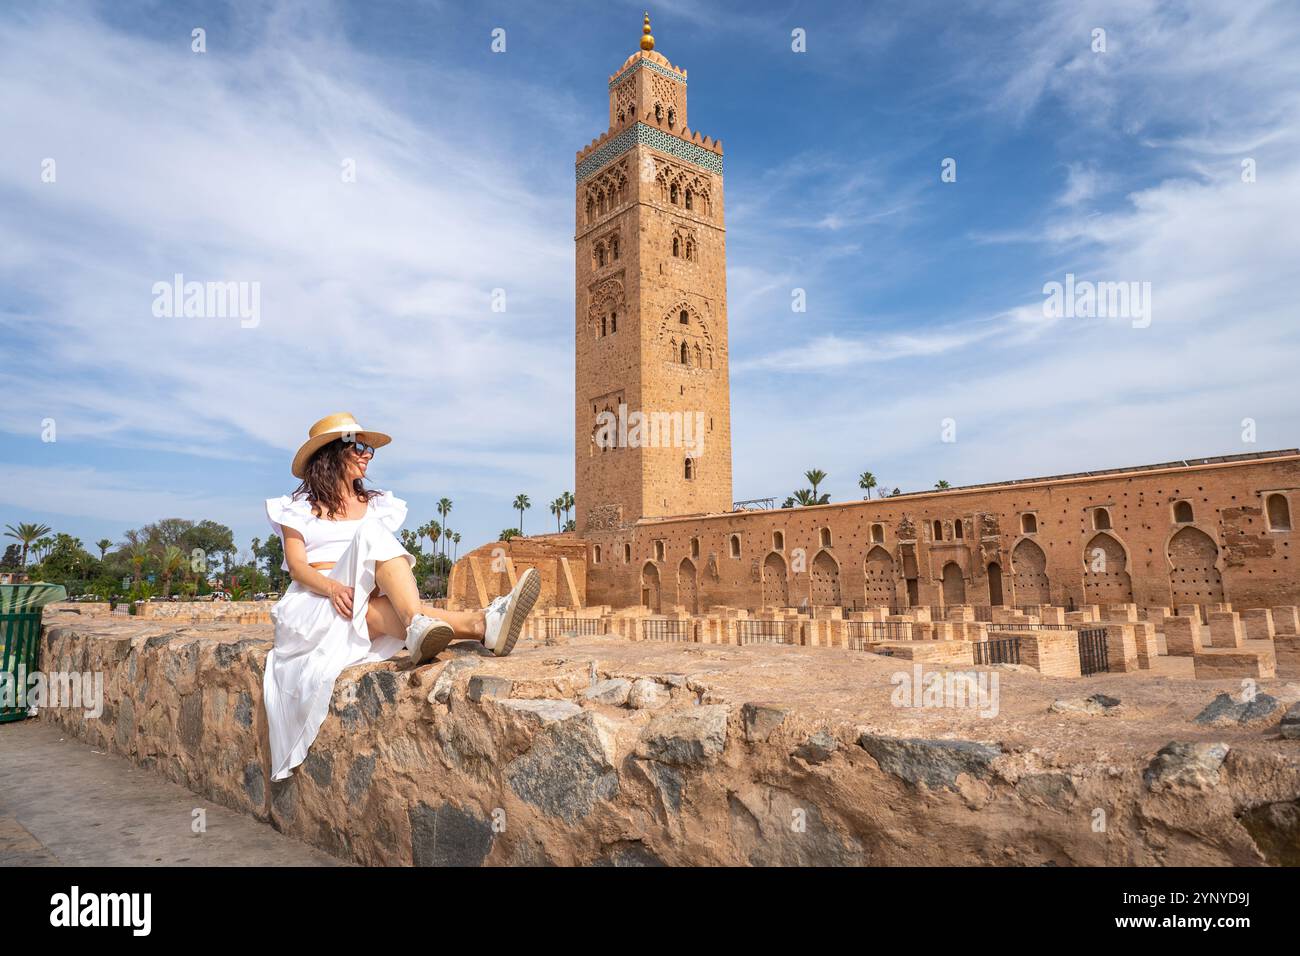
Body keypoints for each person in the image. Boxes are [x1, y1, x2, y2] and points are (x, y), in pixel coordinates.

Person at [262, 412, 539, 782]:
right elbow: (297, 567)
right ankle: (466, 622)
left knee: (375, 608)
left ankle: (476, 626)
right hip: (315, 601)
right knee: (372, 539)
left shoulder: (376, 505)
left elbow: (382, 570)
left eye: (369, 449)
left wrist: (360, 588)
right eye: (358, 447)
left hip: (362, 601)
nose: (367, 455)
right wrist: (331, 587)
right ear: (331, 453)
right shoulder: (296, 509)